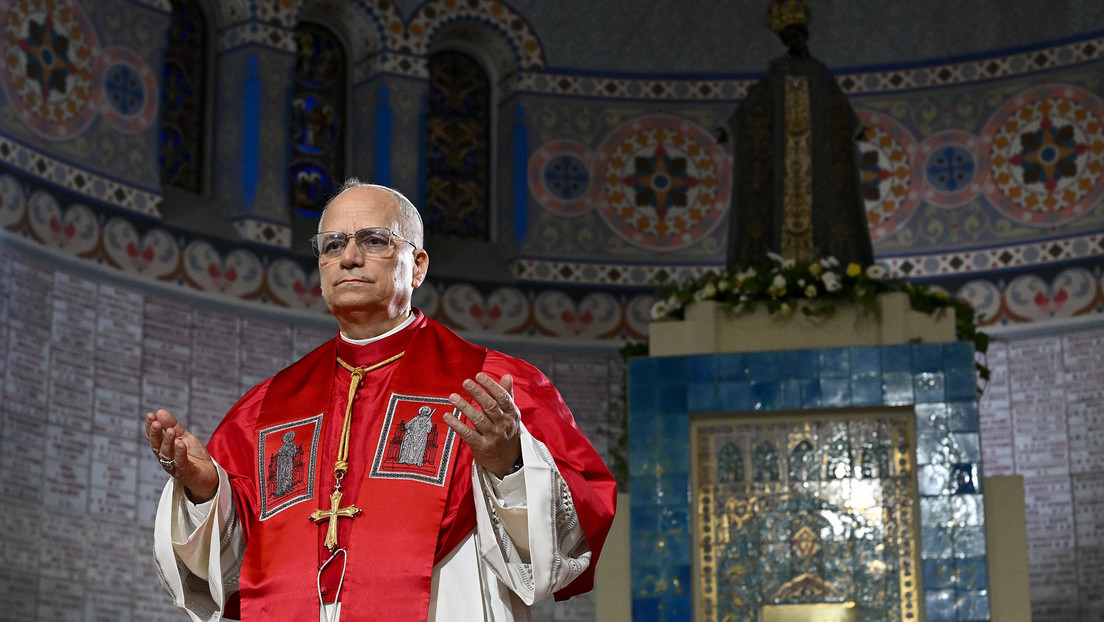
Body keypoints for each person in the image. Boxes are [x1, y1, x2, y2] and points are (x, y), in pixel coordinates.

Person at [144, 179, 617, 621]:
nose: (349, 258)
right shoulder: (266, 407)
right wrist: (206, 493)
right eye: (332, 245)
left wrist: (509, 464)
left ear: (419, 266)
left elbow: (572, 536)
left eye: (373, 240)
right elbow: (230, 571)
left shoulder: (494, 383)